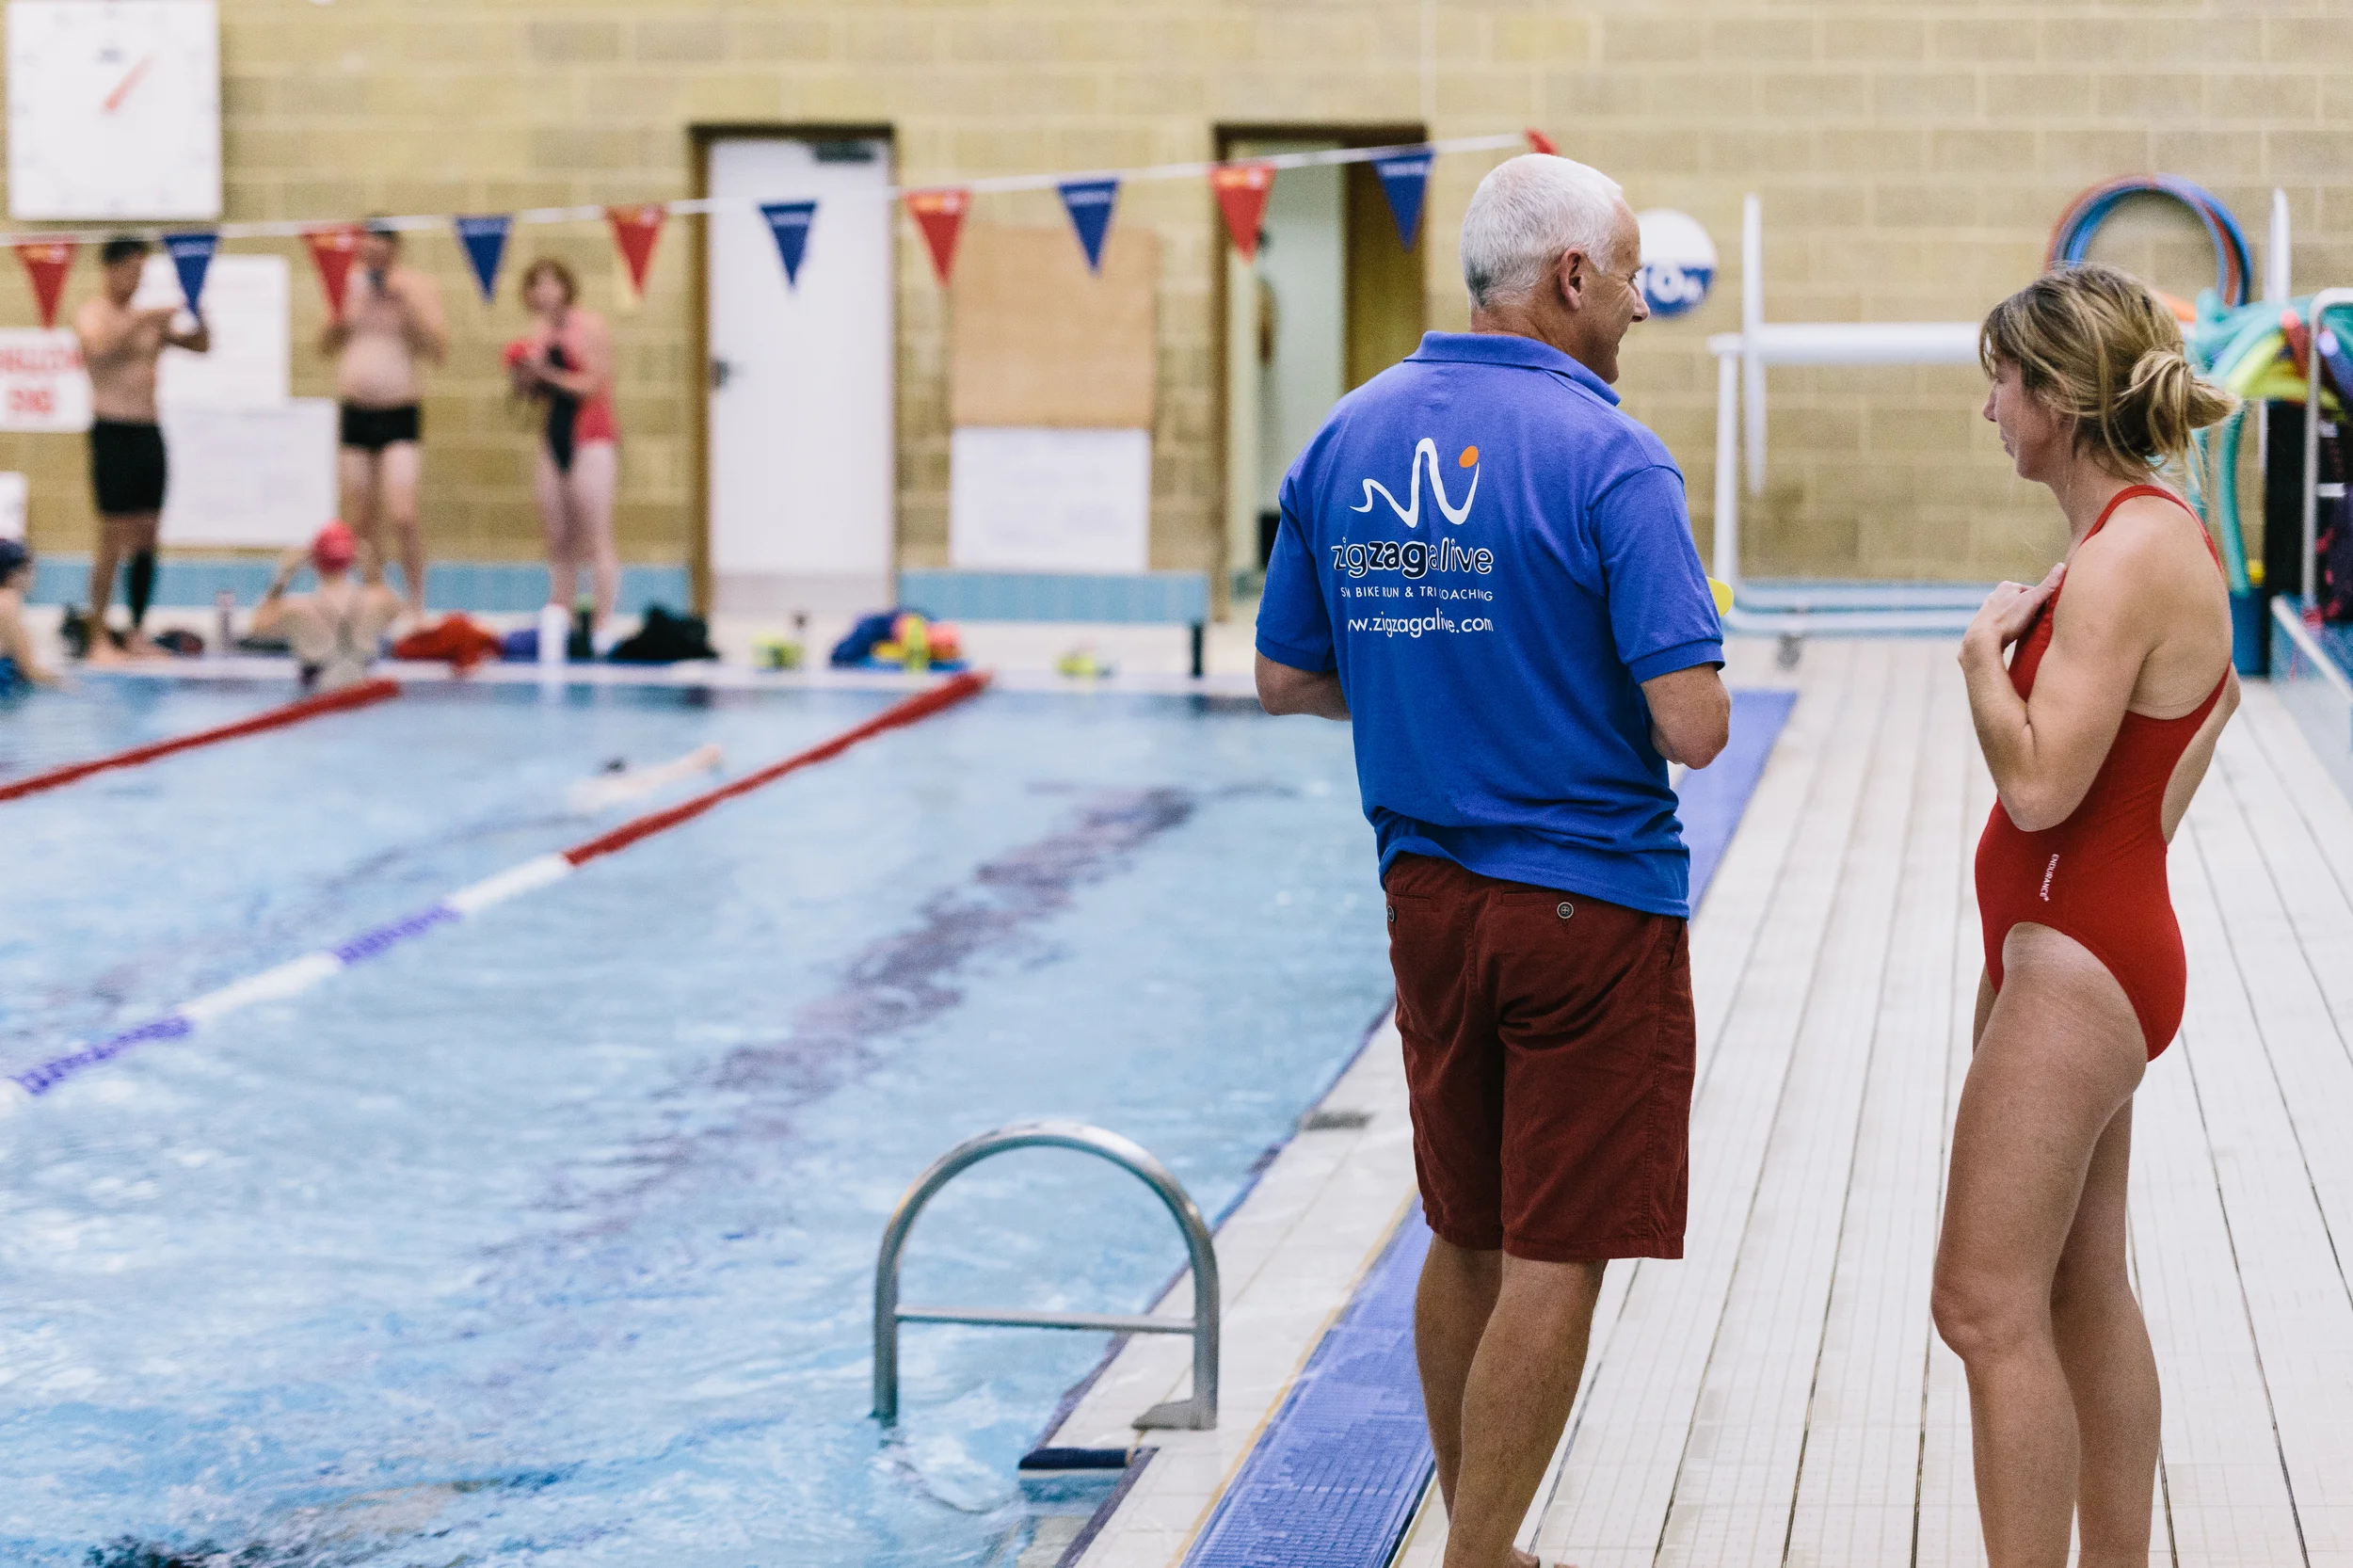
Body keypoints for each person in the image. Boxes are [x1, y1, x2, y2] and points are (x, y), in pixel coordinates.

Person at [1254, 152, 1729, 1568]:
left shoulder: (1346, 433)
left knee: (1460, 1227)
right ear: (1571, 276)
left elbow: (1286, 677)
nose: (1642, 306)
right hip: (1589, 904)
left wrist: (1437, 680)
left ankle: (1483, 1541)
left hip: (1429, 900)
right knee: (1554, 1248)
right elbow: (1696, 725)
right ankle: (1476, 1560)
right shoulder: (1611, 457)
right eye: (1633, 275)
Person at [1934, 264, 2238, 1568]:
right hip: (2085, 948)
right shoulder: (2151, 535)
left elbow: (2046, 783)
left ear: (2058, 396)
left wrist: (1980, 665)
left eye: (2003, 382)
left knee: (1982, 1304)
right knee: (2076, 1286)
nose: (1991, 408)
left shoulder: (2123, 559)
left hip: (2077, 961)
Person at [72, 235, 209, 664]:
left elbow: (202, 347)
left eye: (141, 272)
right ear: (110, 269)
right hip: (111, 431)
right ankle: (97, 635)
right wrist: (143, 319)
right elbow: (100, 348)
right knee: (112, 537)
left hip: (149, 433)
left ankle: (134, 631)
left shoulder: (147, 322)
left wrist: (197, 306)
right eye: (130, 271)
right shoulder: (93, 315)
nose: (136, 280)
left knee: (148, 536)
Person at [323, 221, 446, 623]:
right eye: (366, 249)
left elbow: (437, 349)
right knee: (360, 516)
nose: (372, 257)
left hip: (398, 411)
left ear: (395, 250)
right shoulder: (347, 285)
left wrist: (405, 304)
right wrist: (340, 316)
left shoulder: (415, 287)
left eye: (381, 249)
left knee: (403, 513)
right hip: (356, 412)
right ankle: (375, 596)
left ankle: (417, 601)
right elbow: (325, 345)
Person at [504, 257, 620, 652]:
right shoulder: (536, 334)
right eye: (535, 285)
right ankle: (562, 614)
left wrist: (546, 371)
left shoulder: (589, 325)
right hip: (554, 434)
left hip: (591, 435)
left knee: (596, 535)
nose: (543, 293)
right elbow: (532, 396)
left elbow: (591, 384)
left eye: (550, 284)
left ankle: (603, 622)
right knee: (558, 536)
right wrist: (522, 375)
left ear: (566, 287)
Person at [248, 521, 403, 692]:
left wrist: (284, 575)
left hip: (315, 702)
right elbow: (396, 609)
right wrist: (371, 568)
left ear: (314, 562)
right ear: (353, 560)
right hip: (363, 701)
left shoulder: (296, 609)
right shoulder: (377, 602)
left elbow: (257, 627)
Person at [0, 537, 61, 690]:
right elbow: (29, 670)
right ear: (13, 573)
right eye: (31, 568)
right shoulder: (9, 602)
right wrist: (66, 685)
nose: (35, 575)